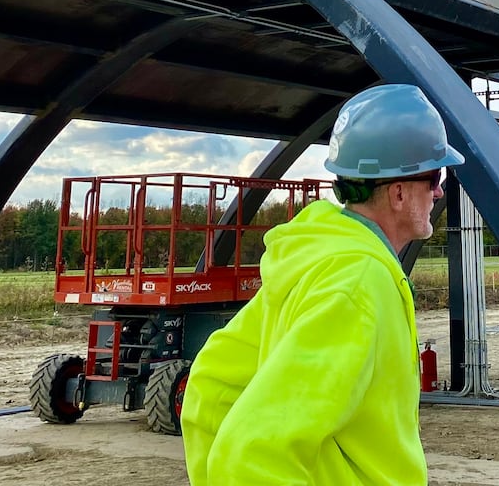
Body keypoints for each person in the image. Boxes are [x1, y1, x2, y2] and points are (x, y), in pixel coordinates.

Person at [182, 82, 462, 486]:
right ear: (399, 192)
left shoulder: (318, 259)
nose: (439, 191)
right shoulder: (358, 282)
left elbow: (213, 386)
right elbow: (252, 453)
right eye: (435, 176)